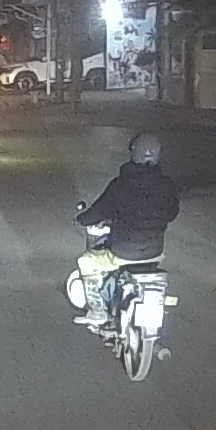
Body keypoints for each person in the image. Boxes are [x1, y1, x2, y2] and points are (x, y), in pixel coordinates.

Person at [73, 131, 179, 329]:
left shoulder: (121, 185)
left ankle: (97, 311)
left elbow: (100, 210)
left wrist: (82, 219)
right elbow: (172, 214)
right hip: (155, 253)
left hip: (123, 253)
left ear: (133, 152)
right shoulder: (167, 185)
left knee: (86, 261)